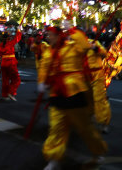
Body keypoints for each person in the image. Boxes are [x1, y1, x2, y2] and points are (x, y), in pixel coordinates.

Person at [38, 27, 107, 170]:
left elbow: (84, 46)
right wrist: (41, 81)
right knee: (56, 128)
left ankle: (98, 151)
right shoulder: (48, 52)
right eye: (48, 35)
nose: (48, 38)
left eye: (51, 35)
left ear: (59, 36)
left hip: (74, 92)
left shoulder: (72, 47)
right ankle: (54, 158)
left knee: (84, 128)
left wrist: (72, 29)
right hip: (56, 94)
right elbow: (44, 68)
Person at [86, 37, 111, 133]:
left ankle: (104, 123)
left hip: (97, 75)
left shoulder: (93, 42)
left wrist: (95, 48)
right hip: (85, 77)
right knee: (87, 100)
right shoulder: (74, 45)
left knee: (99, 99)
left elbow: (104, 53)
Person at [0, 30, 21, 101]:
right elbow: (18, 38)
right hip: (11, 63)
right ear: (8, 38)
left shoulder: (1, 45)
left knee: (5, 80)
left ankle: (5, 95)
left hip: (4, 63)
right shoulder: (11, 43)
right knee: (16, 79)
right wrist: (19, 30)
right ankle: (11, 92)